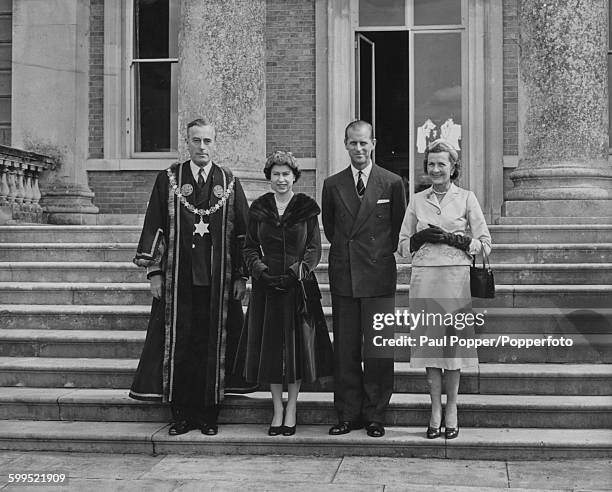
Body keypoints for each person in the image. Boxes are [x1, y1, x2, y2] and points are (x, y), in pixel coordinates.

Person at [130, 118, 256, 436]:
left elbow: (243, 232)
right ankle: (181, 415)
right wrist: (154, 271)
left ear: (215, 143)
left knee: (211, 347)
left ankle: (208, 415)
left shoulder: (228, 181)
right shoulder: (170, 178)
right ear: (187, 142)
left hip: (218, 283)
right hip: (177, 280)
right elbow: (155, 222)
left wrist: (241, 276)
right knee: (180, 345)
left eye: (207, 141)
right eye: (196, 140)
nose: (202, 147)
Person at [398, 138, 491, 440]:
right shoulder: (417, 200)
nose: (436, 169)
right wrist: (419, 238)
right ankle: (434, 408)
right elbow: (401, 246)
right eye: (431, 164)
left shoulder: (466, 198)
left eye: (442, 164)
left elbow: (485, 245)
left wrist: (458, 240)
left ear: (453, 168)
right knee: (430, 347)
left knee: (452, 347)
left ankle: (452, 407)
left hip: (454, 279)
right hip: (425, 277)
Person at [236, 150, 333, 436]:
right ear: (269, 177)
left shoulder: (305, 208)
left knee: (295, 349)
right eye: (276, 174)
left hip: (297, 287)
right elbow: (249, 246)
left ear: (294, 177)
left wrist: (296, 273)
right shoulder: (260, 209)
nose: (281, 179)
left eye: (286, 174)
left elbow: (314, 248)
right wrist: (260, 270)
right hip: (267, 287)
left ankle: (292, 407)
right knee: (271, 349)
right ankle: (277, 407)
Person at [322, 120, 406, 438]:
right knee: (345, 350)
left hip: (379, 274)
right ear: (345, 144)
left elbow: (397, 227)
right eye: (353, 143)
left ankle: (375, 414)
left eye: (364, 143)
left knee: (378, 350)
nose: (358, 149)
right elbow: (332, 229)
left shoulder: (392, 182)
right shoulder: (332, 184)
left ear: (373, 144)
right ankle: (347, 414)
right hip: (345, 274)